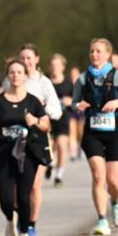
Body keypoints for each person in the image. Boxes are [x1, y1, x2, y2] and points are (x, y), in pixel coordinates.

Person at [0, 59, 51, 236]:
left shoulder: (33, 101)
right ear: (8, 75)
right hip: (4, 154)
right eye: (12, 72)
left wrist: (35, 121)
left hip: (27, 154)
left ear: (25, 76)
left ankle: (24, 234)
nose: (15, 75)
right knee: (5, 198)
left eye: (19, 72)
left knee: (24, 196)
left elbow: (47, 125)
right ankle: (9, 218)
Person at [72, 38, 118, 235]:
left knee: (113, 181)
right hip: (92, 132)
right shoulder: (82, 79)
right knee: (99, 176)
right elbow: (74, 103)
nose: (94, 55)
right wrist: (78, 106)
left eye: (98, 51)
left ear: (108, 54)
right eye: (91, 51)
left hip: (114, 131)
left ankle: (116, 202)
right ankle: (101, 220)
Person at [8, 44, 62, 236]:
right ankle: (18, 214)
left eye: (29, 58)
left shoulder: (43, 83)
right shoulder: (12, 79)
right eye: (22, 58)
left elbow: (57, 111)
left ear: (37, 59)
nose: (26, 62)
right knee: (15, 185)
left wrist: (40, 112)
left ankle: (30, 225)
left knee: (34, 186)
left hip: (38, 138)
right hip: (15, 138)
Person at [48, 53, 73, 187]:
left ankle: (59, 175)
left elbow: (76, 102)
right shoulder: (45, 81)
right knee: (50, 147)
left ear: (63, 67)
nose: (54, 68)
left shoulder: (68, 83)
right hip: (47, 120)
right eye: (52, 65)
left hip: (63, 119)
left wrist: (71, 102)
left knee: (62, 146)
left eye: (57, 65)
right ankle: (50, 164)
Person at [68, 66, 84, 160]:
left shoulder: (82, 84)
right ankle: (73, 152)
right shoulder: (69, 86)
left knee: (80, 133)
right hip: (71, 112)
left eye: (75, 75)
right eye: (72, 75)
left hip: (81, 112)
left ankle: (80, 149)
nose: (73, 76)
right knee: (72, 131)